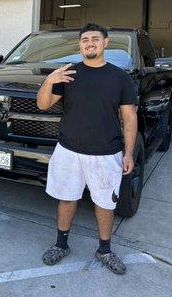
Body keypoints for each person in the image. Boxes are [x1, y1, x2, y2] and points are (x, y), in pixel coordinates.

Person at [36, 23, 137, 274]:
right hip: (69, 150)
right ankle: (61, 245)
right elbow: (42, 104)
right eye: (84, 40)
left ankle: (104, 250)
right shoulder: (68, 73)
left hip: (106, 153)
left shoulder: (120, 77)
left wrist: (128, 153)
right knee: (67, 198)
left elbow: (129, 118)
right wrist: (49, 80)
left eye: (95, 38)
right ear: (80, 45)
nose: (89, 43)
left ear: (105, 43)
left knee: (105, 203)